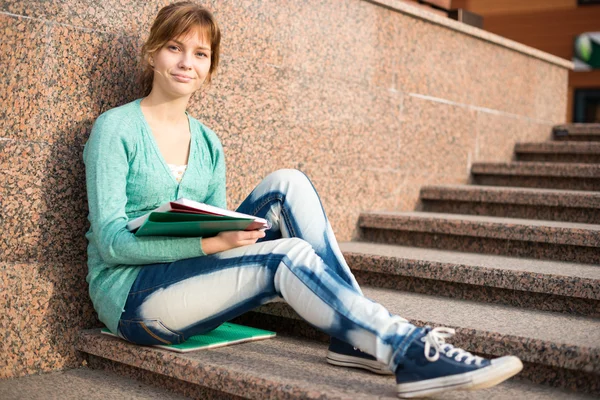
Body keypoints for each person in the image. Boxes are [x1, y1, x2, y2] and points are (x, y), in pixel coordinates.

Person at [83, 2, 523, 397]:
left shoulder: (208, 143)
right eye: (175, 48)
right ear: (152, 53)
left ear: (211, 67)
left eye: (200, 54)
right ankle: (406, 349)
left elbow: (213, 220)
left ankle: (355, 337)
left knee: (287, 182)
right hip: (133, 301)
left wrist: (224, 236)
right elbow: (111, 242)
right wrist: (208, 245)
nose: (186, 63)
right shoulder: (116, 129)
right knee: (285, 256)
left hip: (192, 282)